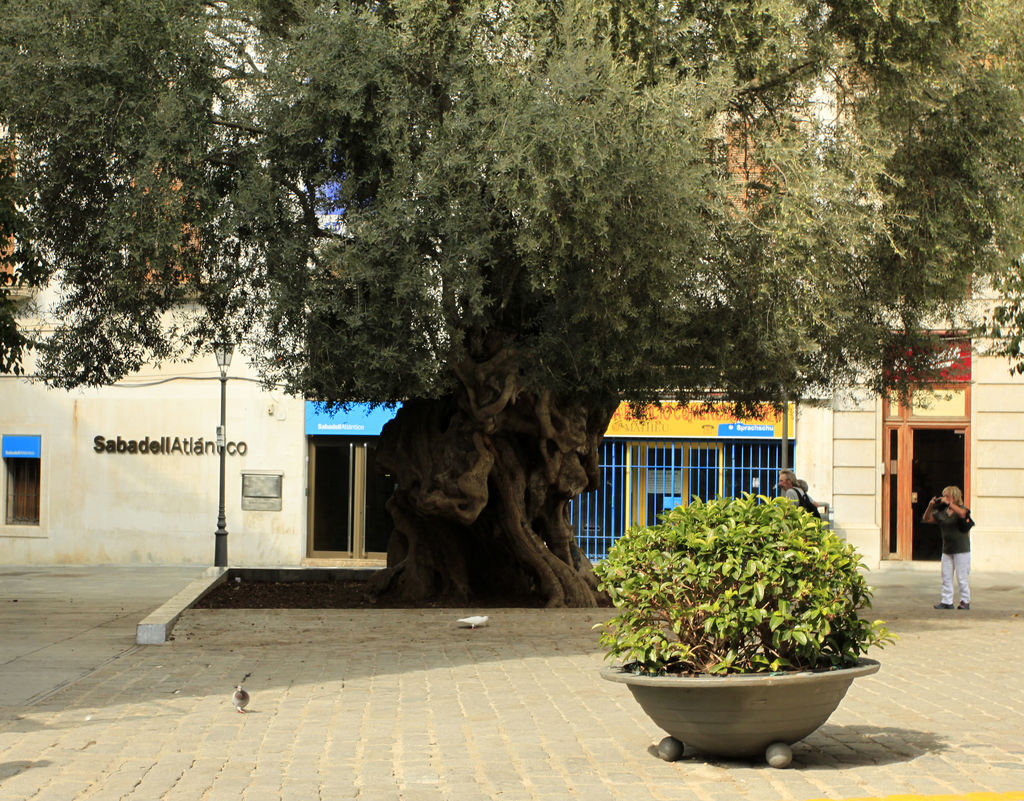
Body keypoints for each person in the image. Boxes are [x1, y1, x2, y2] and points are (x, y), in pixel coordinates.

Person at [922, 486, 972, 610]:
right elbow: (927, 518)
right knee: (946, 576)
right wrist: (930, 506)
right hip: (947, 550)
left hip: (961, 550)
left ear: (954, 498)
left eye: (947, 496)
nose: (944, 498)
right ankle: (946, 601)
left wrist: (950, 504)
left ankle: (965, 601)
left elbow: (962, 514)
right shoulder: (942, 513)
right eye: (943, 495)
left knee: (962, 577)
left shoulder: (961, 509)